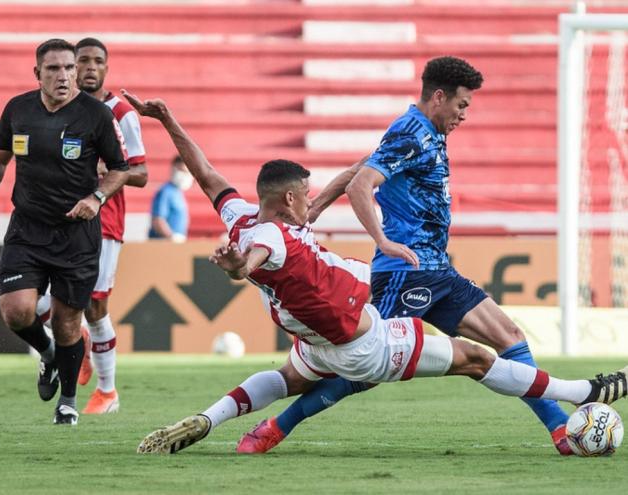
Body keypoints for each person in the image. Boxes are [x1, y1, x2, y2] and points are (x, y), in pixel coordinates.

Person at [121, 91, 627, 455]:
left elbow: (207, 175)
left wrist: (167, 120)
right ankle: (580, 392)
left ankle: (210, 418)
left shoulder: (243, 218)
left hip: (315, 342)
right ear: (290, 198)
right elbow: (256, 256)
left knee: (285, 379)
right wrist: (238, 268)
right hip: (364, 342)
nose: (311, 200)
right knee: (474, 358)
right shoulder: (269, 237)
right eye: (306, 194)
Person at [237, 55, 577, 455]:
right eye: (461, 105)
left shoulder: (424, 131)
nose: (464, 115)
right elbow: (362, 185)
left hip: (437, 269)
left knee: (509, 337)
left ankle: (560, 429)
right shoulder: (411, 132)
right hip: (405, 271)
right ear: (439, 97)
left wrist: (313, 211)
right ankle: (276, 426)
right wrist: (382, 240)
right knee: (367, 368)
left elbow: (358, 169)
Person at [0, 39, 129, 425]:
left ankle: (68, 402)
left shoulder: (95, 115)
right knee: (16, 311)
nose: (64, 76)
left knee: (67, 322)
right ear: (37, 73)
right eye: (54, 68)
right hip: (28, 228)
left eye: (70, 68)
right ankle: (49, 353)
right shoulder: (18, 110)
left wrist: (96, 197)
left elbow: (121, 169)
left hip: (77, 235)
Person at [35, 37, 148, 415]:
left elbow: (141, 173)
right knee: (33, 300)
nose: (89, 68)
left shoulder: (120, 113)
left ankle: (107, 392)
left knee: (95, 305)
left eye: (97, 62)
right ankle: (76, 340)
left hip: (104, 221)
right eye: (82, 61)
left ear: (106, 68)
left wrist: (106, 169)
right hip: (57, 218)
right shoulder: (59, 108)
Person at [148, 155, 192, 241]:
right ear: (174, 170)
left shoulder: (178, 192)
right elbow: (158, 221)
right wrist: (172, 237)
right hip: (163, 243)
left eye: (187, 172)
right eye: (182, 171)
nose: (185, 175)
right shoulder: (165, 192)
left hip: (176, 243)